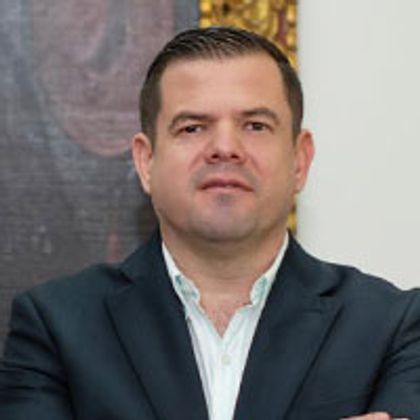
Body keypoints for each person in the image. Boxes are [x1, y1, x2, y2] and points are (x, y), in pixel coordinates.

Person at [0, 27, 419, 420]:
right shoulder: (55, 328)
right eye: (193, 127)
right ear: (146, 162)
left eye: (255, 125)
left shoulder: (393, 327)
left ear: (299, 160)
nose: (224, 147)